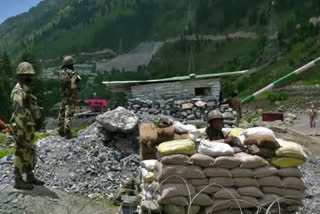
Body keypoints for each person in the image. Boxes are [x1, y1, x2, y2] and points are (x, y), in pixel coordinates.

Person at [10, 62, 44, 190]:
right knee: (20, 152)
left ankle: (29, 176)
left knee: (29, 150)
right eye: (27, 75)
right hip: (22, 127)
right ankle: (18, 179)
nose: (30, 78)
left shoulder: (26, 90)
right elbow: (18, 111)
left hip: (29, 126)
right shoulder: (18, 92)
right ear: (21, 76)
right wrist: (19, 130)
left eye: (30, 75)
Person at [58, 56, 80, 139]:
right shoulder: (73, 73)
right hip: (70, 96)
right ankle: (67, 131)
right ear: (72, 64)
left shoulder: (61, 73)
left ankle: (60, 129)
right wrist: (75, 98)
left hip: (63, 96)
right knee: (69, 112)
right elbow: (74, 86)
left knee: (62, 111)